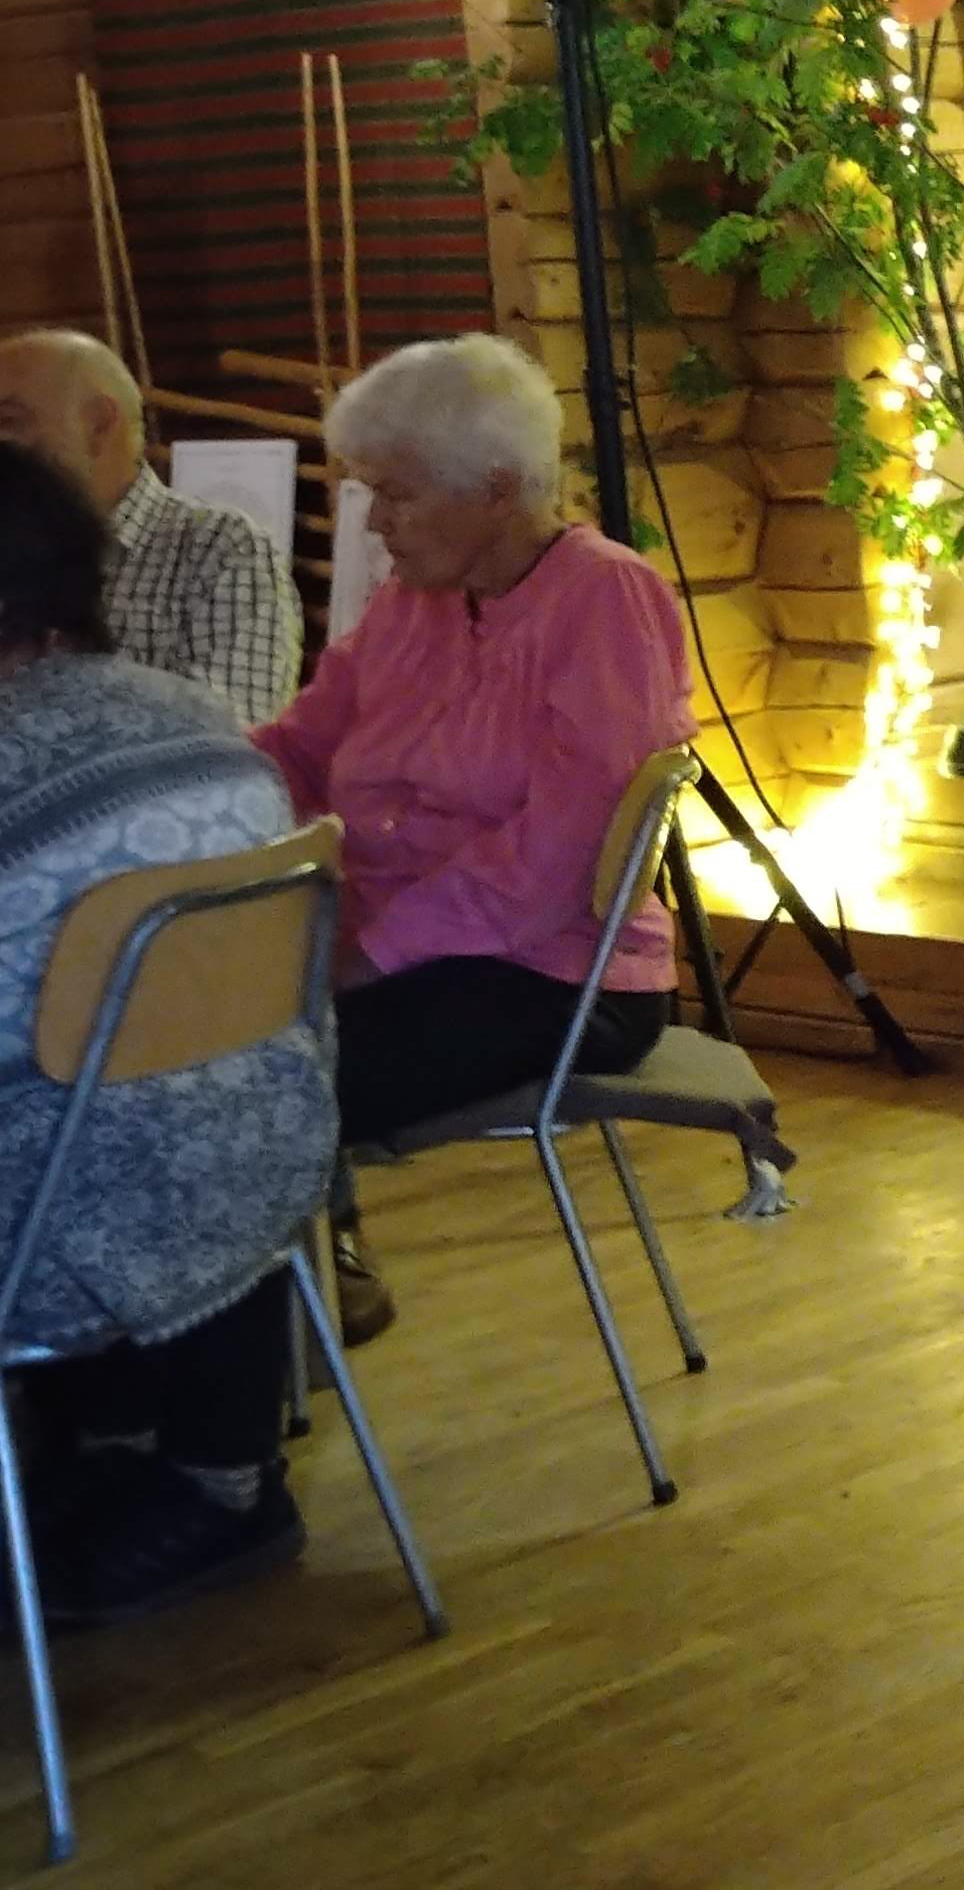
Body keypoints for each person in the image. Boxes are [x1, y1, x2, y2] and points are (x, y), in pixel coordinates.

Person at [254, 337, 699, 1344]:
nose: (375, 523)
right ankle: (266, 1318)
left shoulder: (605, 598)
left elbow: (555, 862)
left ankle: (243, 1383)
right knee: (181, 1043)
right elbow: (298, 747)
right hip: (401, 948)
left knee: (255, 1090)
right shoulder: (413, 603)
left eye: (396, 494)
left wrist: (365, 955)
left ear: (496, 487)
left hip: (556, 973)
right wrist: (169, 788)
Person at [0, 439, 331, 1625]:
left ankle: (133, 1470)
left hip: (64, 1223)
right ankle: (164, 1466)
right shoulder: (200, 718)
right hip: (265, 1172)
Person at [0, 327, 302, 727]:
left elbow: (227, 732)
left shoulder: (220, 547)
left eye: (9, 422)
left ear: (99, 425)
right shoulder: (12, 548)